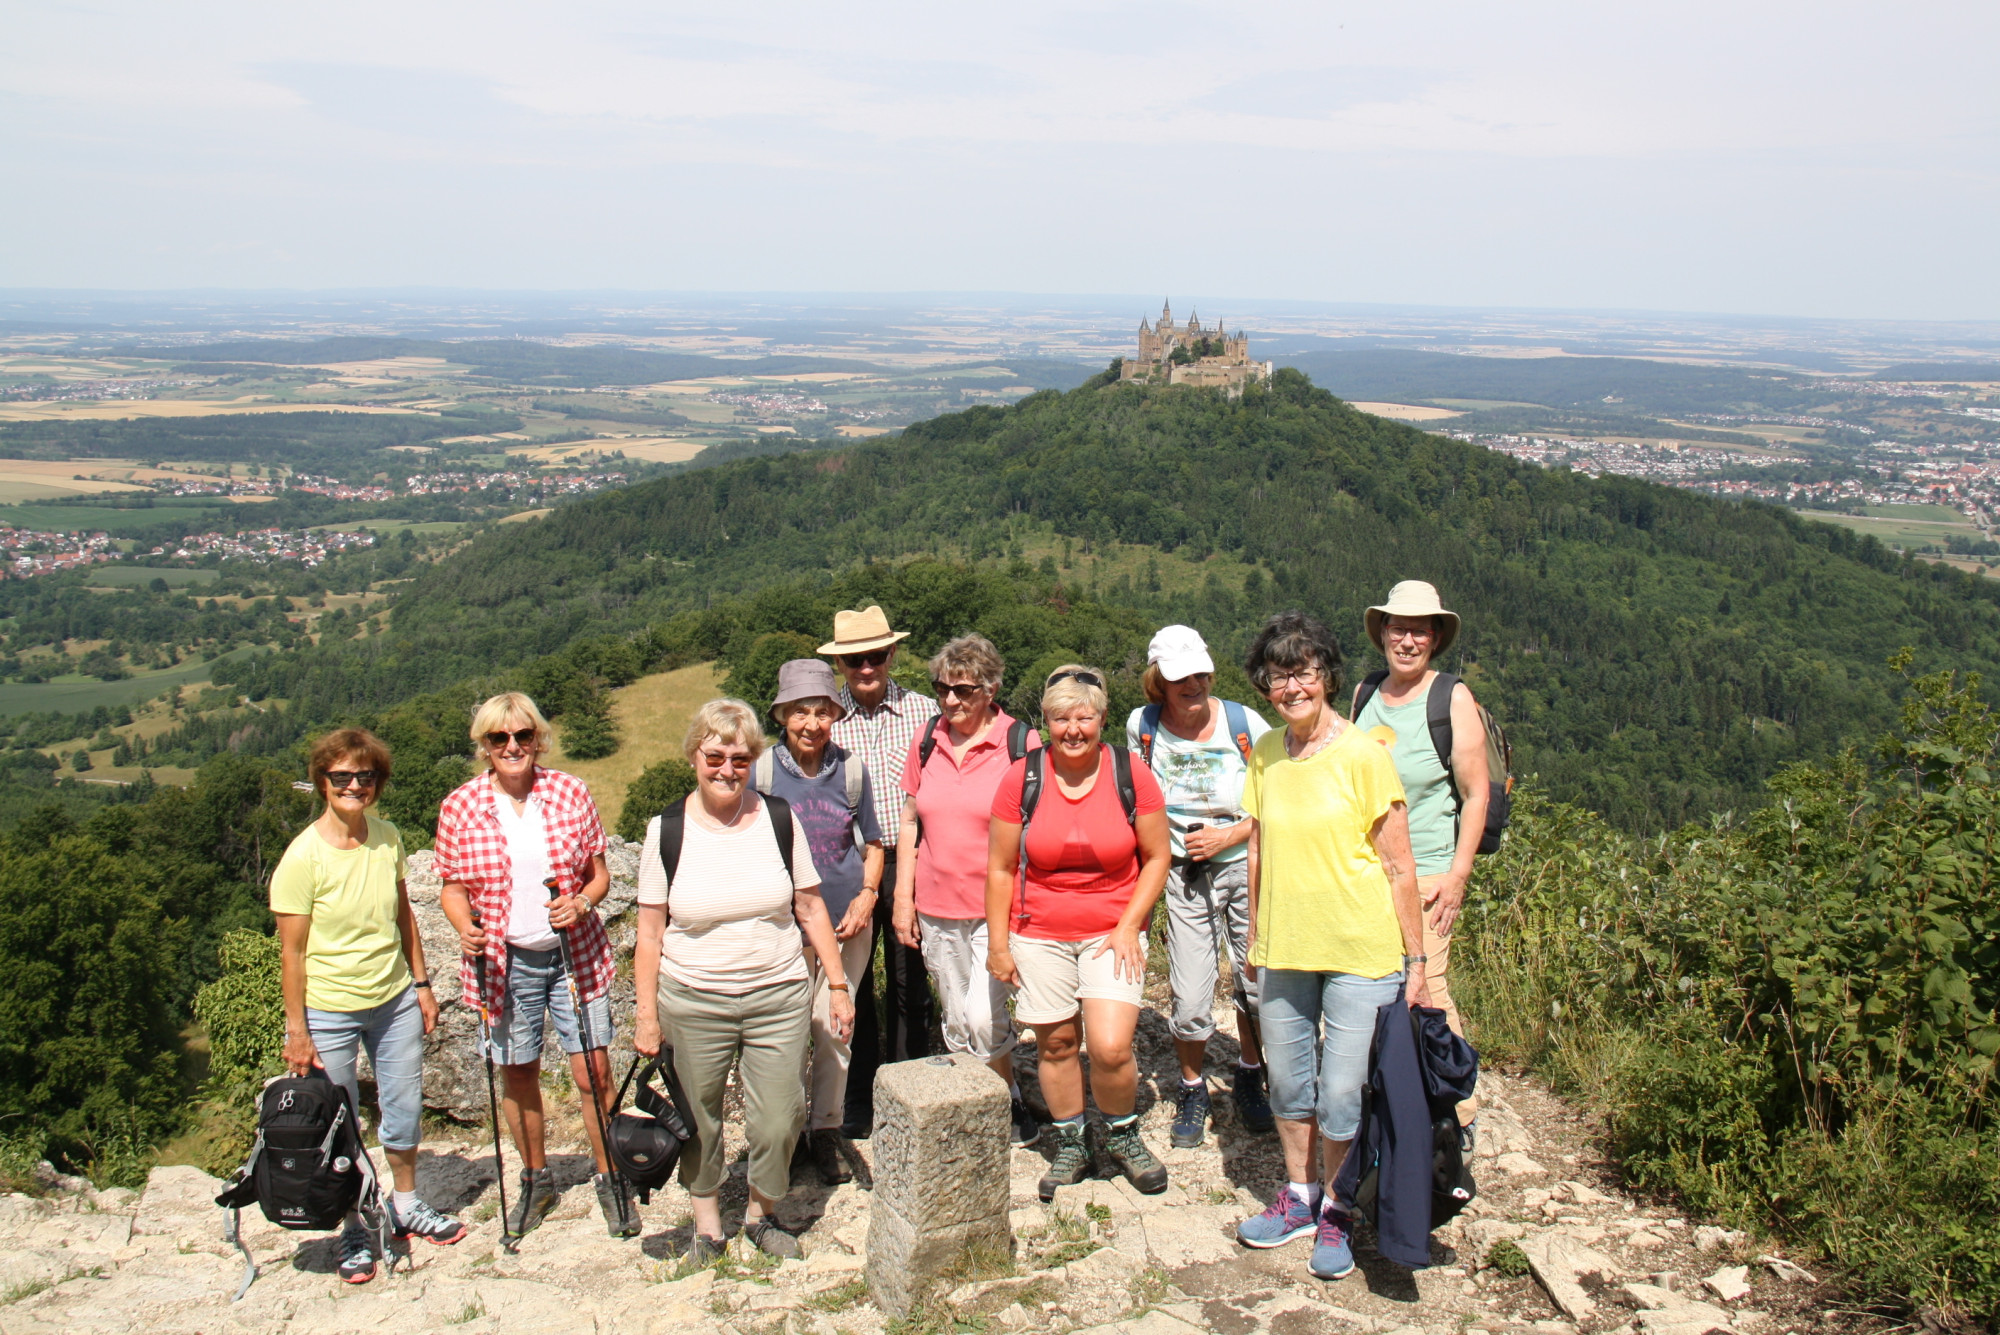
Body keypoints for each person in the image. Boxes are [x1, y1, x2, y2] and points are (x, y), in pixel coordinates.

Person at [1232, 611, 1432, 1282]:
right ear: (1264, 685)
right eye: (1277, 675)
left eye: (1304, 671)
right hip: (1285, 943)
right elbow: (1257, 848)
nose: (1292, 687)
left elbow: (1399, 865)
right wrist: (1256, 934)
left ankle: (1339, 1209)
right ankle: (1300, 1196)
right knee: (1290, 1081)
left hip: (1359, 950)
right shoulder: (1266, 752)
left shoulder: (1364, 755)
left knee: (1342, 1093)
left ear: (1327, 676)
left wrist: (1417, 962)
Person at [632, 699, 855, 1266]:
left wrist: (836, 984)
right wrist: (646, 1016)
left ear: (753, 760)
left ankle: (761, 1215)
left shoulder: (779, 819)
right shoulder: (666, 830)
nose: (727, 770)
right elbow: (650, 933)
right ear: (694, 756)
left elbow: (810, 907)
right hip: (692, 996)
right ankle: (708, 1229)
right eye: (715, 757)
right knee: (698, 1117)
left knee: (780, 1117)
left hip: (777, 992)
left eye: (739, 758)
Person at [272, 728, 465, 1285]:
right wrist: (298, 1031)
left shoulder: (387, 837)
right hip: (329, 1009)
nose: (354, 785)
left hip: (393, 998)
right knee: (338, 1123)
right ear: (322, 781)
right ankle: (353, 1224)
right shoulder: (302, 858)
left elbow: (403, 915)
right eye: (341, 776)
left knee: (403, 1108)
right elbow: (292, 953)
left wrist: (422, 985)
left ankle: (405, 1204)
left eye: (366, 776)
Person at [434, 692, 630, 1239]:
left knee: (594, 1071)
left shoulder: (570, 792)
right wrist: (464, 926)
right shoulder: (460, 806)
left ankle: (610, 1176)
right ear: (484, 745)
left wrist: (582, 902)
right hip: (503, 962)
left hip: (574, 956)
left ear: (538, 739)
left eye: (523, 735)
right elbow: (452, 887)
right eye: (499, 738)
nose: (512, 746)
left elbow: (598, 874)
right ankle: (536, 1178)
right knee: (517, 1072)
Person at [988, 665, 1173, 1200]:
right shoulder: (1022, 778)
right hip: (1038, 930)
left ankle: (1122, 1134)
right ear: (1045, 722)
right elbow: (1000, 867)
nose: (1073, 729)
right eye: (1061, 719)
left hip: (1113, 928)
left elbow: (1158, 856)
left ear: (1102, 719)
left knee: (1111, 1047)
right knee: (1057, 1043)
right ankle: (1072, 1141)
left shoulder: (1129, 773)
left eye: (1084, 718)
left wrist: (1130, 924)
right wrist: (999, 946)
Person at [1126, 625, 1276, 1149]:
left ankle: (1249, 1073)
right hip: (1185, 876)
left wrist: (1228, 835)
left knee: (1255, 984)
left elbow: (1278, 800)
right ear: (1158, 683)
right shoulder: (1142, 727)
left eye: (1200, 674)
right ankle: (1192, 1087)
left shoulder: (1243, 724)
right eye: (1180, 678)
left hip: (1248, 868)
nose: (1193, 685)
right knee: (1190, 997)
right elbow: (1140, 799)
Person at [1352, 581, 1489, 1141]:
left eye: (1419, 631)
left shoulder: (1451, 698)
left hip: (1429, 870)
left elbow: (1476, 794)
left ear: (1435, 638)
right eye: (1398, 628)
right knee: (1374, 984)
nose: (1407, 641)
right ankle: (1393, 1100)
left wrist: (1458, 877)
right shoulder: (1365, 693)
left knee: (1427, 985)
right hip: (1369, 871)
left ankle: (1458, 1113)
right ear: (1383, 632)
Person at [893, 632, 1039, 1147]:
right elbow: (910, 821)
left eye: (964, 690)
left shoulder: (1020, 743)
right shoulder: (927, 739)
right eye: (942, 688)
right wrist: (903, 899)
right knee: (957, 1019)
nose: (950, 700)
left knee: (982, 1016)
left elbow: (1038, 825)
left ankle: (1004, 1096)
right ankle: (981, 1106)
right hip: (935, 905)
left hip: (997, 908)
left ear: (991, 689)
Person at [755, 659, 885, 1185]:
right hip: (782, 929)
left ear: (835, 714)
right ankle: (786, 1132)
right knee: (785, 1032)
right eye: (799, 712)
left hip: (846, 924)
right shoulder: (762, 774)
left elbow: (873, 843)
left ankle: (826, 1130)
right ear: (782, 716)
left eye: (822, 712)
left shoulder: (850, 771)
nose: (812, 724)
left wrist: (867, 898)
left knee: (834, 1029)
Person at [824, 605, 939, 1138]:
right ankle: (857, 1096)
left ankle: (909, 1086)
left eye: (874, 655)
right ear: (841, 664)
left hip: (910, 858)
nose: (866, 667)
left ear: (892, 654)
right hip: (847, 864)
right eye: (855, 659)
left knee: (909, 976)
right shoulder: (825, 718)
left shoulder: (923, 712)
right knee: (851, 981)